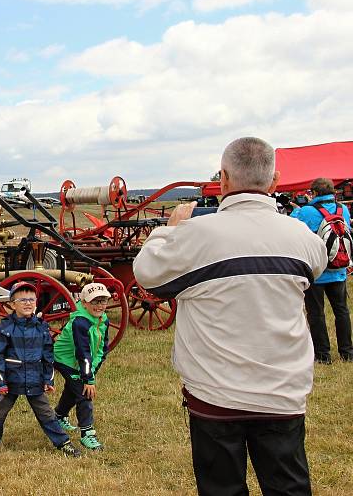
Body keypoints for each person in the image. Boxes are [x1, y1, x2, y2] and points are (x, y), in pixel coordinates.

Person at [133, 137, 327, 495]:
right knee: (289, 487)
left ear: (222, 179)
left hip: (215, 393)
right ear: (274, 181)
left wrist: (170, 229)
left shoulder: (197, 235)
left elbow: (147, 273)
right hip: (282, 393)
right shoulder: (302, 237)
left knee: (221, 488)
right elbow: (315, 266)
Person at [0, 281, 81, 458]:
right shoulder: (4, 328)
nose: (28, 303)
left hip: (35, 379)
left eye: (31, 300)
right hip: (11, 380)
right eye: (22, 300)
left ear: (36, 303)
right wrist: (0, 382)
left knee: (46, 413)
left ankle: (63, 442)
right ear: (12, 304)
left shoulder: (41, 327)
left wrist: (48, 380)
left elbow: (48, 356)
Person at [290, 177, 353, 364]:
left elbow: (293, 226)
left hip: (316, 272)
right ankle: (347, 352)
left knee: (316, 313)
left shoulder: (306, 211)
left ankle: (323, 355)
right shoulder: (343, 210)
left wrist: (296, 209)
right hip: (339, 268)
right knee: (342, 311)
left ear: (314, 193)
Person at [53, 282, 111, 451]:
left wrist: (93, 369)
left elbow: (102, 348)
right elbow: (82, 352)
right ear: (84, 303)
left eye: (103, 301)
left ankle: (59, 415)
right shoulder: (80, 323)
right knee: (84, 392)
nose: (99, 306)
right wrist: (88, 379)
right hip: (66, 360)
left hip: (81, 361)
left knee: (74, 389)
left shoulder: (103, 320)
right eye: (94, 302)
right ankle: (87, 433)